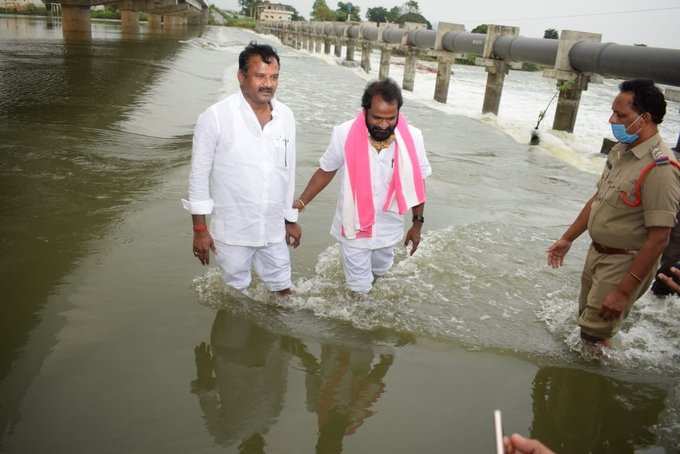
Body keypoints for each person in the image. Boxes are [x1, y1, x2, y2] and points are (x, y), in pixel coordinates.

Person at [547, 79, 680, 344]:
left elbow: (659, 239)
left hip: (624, 263)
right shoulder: (620, 151)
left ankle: (594, 383)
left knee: (593, 335)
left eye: (621, 115)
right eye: (612, 112)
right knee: (586, 326)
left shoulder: (660, 168)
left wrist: (623, 291)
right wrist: (567, 238)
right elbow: (599, 198)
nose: (612, 120)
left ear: (645, 118)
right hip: (598, 254)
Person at [181, 42, 300, 295]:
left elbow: (287, 173)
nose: (268, 84)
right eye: (260, 76)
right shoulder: (215, 117)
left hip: (272, 229)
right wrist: (200, 230)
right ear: (241, 76)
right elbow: (199, 176)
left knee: (284, 292)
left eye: (274, 77)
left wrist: (290, 219)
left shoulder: (286, 116)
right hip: (233, 231)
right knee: (236, 296)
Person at [292, 78, 431, 294]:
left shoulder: (413, 137)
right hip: (353, 226)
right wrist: (299, 204)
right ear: (365, 110)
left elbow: (418, 180)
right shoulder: (344, 133)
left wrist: (417, 224)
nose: (384, 125)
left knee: (381, 275)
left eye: (390, 118)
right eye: (377, 118)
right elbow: (326, 171)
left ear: (398, 113)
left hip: (389, 226)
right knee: (359, 291)